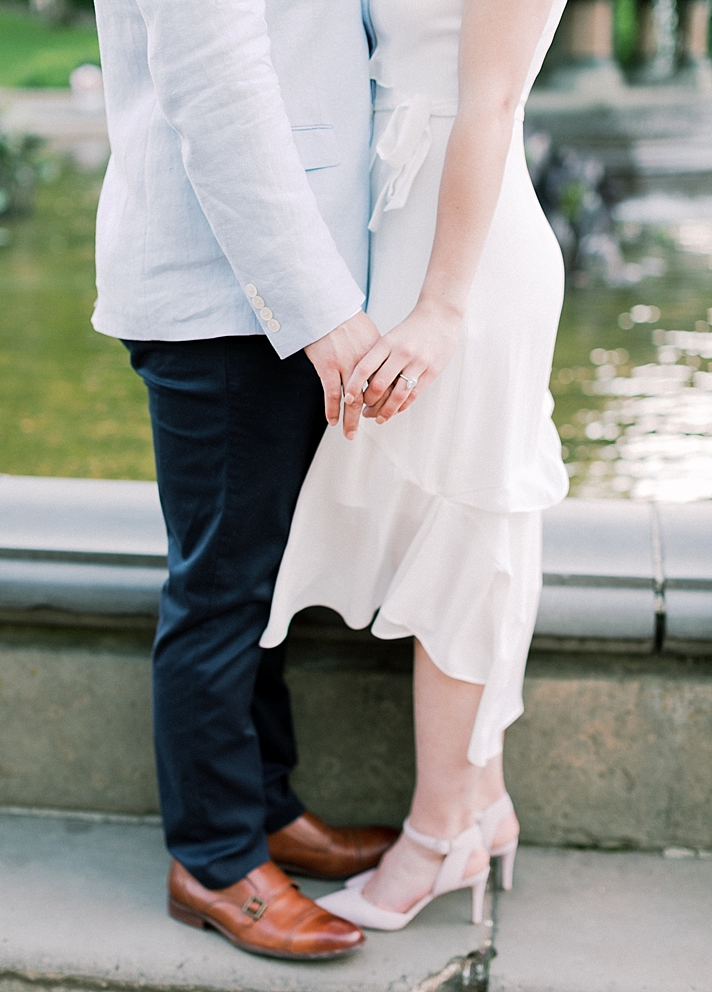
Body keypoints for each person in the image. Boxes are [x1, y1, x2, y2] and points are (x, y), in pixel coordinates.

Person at [91, 0, 399, 962]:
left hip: (285, 282)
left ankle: (264, 811)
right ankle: (216, 859)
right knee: (222, 586)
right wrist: (316, 306)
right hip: (229, 293)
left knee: (258, 579)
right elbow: (214, 81)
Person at [263, 0, 568, 930]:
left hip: (465, 259)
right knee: (434, 523)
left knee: (466, 533)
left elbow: (491, 104)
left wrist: (440, 308)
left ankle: (438, 834)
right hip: (398, 226)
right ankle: (484, 803)